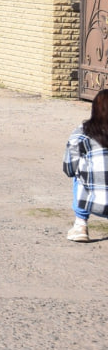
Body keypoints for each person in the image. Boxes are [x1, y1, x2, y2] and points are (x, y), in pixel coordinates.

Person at [65, 88, 108, 242]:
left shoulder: (82, 133)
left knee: (79, 173)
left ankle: (80, 225)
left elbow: (69, 168)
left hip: (93, 202)